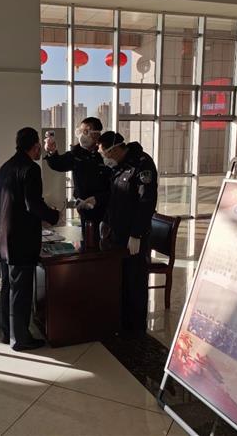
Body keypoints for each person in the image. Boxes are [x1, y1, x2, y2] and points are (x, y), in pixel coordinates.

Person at [0, 127, 60, 351]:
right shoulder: (30, 169)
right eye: (39, 145)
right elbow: (33, 204)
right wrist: (53, 216)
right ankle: (20, 338)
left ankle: (7, 333)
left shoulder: (5, 167)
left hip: (4, 238)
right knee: (21, 291)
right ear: (36, 145)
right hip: (21, 240)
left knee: (8, 288)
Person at [98, 131, 158, 334]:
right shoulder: (120, 165)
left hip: (134, 236)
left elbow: (146, 201)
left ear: (115, 149)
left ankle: (136, 329)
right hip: (117, 233)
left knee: (135, 280)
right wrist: (105, 221)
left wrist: (137, 234)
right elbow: (115, 196)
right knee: (121, 279)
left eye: (105, 153)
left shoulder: (142, 164)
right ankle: (122, 324)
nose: (104, 158)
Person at [44, 117, 111, 241]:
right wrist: (52, 152)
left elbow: (115, 185)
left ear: (96, 134)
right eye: (80, 131)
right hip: (84, 208)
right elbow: (58, 164)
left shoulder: (106, 152)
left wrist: (98, 199)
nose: (81, 135)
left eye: (86, 131)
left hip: (105, 209)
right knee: (89, 240)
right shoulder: (77, 153)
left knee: (105, 243)